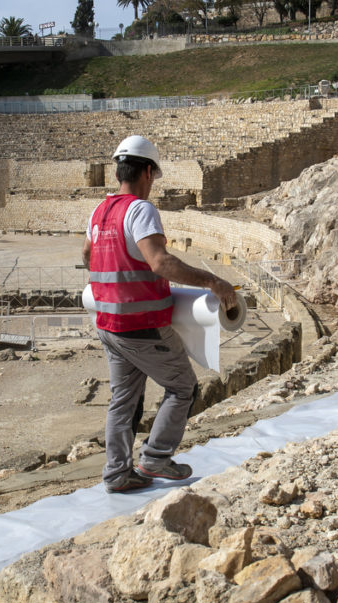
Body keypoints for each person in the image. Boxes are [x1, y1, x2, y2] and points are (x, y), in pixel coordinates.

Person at [83, 135, 238, 493]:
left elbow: (86, 255)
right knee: (183, 387)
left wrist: (115, 278)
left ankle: (117, 474)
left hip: (108, 323)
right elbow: (160, 261)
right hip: (141, 325)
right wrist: (212, 282)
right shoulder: (139, 209)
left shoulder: (99, 211)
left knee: (122, 401)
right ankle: (155, 457)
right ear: (148, 172)